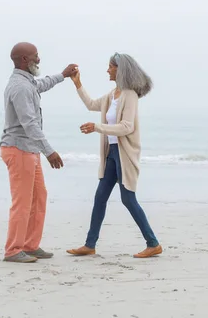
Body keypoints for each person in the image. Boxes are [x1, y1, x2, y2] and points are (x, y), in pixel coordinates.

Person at [66, 52, 162, 258]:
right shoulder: (112, 95)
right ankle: (90, 245)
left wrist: (97, 127)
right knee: (100, 197)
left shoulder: (130, 95)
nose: (107, 70)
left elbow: (127, 127)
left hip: (124, 154)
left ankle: (153, 243)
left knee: (128, 199)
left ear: (120, 69)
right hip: (110, 154)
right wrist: (77, 84)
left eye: (110, 66)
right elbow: (92, 105)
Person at [0, 42, 78, 263]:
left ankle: (30, 245)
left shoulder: (28, 82)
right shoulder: (20, 87)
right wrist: (50, 151)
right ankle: (13, 250)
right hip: (19, 149)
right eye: (36, 56)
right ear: (24, 60)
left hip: (29, 150)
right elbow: (29, 124)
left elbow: (41, 85)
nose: (39, 59)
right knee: (22, 203)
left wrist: (63, 75)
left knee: (38, 198)